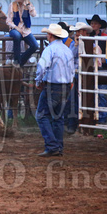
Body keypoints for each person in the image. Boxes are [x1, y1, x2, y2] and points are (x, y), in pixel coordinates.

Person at [34, 24, 74, 157]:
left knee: (42, 115)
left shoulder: (50, 49)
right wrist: (71, 82)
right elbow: (72, 69)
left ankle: (52, 146)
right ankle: (58, 147)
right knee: (58, 117)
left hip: (53, 86)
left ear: (50, 35)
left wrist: (38, 81)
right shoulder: (67, 50)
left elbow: (41, 66)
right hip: (66, 86)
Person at [65, 22, 93, 134]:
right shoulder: (73, 44)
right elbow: (70, 58)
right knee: (73, 101)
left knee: (86, 100)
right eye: (76, 32)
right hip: (75, 74)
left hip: (86, 76)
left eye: (78, 31)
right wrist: (76, 46)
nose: (76, 34)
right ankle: (73, 124)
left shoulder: (92, 44)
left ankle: (81, 124)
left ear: (84, 32)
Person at [6, 0, 38, 67]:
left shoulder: (27, 5)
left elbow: (34, 14)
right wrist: (16, 28)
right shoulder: (12, 5)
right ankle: (17, 61)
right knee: (17, 36)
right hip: (14, 28)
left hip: (25, 29)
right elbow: (8, 21)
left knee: (35, 45)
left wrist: (28, 4)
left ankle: (20, 61)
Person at [87, 14, 107, 124]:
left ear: (100, 25)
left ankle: (102, 118)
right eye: (92, 23)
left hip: (102, 68)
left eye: (95, 23)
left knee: (101, 94)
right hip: (91, 68)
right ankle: (94, 117)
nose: (93, 25)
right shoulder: (88, 37)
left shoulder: (106, 38)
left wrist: (102, 60)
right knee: (91, 93)